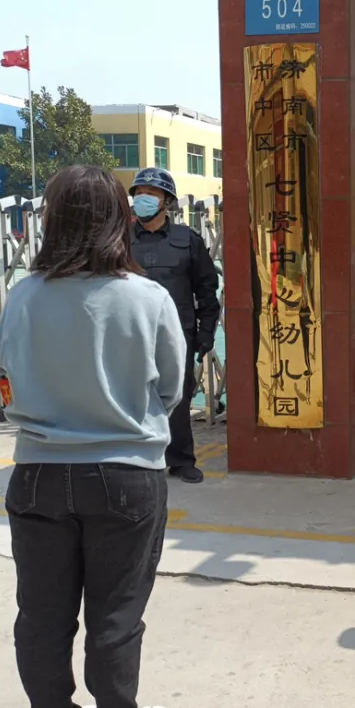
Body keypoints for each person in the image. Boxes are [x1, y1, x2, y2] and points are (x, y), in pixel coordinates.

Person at [0, 164, 186, 708]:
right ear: (120, 221)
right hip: (127, 475)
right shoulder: (148, 299)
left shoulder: (25, 296)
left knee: (42, 614)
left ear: (51, 222)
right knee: (117, 614)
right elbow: (169, 389)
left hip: (38, 475)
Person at [129, 168, 220, 484]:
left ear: (166, 201)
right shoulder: (118, 240)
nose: (143, 199)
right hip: (130, 334)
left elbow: (206, 288)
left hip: (177, 334)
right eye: (139, 193)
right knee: (132, 397)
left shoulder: (187, 241)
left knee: (177, 398)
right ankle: (139, 459)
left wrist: (206, 331)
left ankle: (181, 460)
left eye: (151, 194)